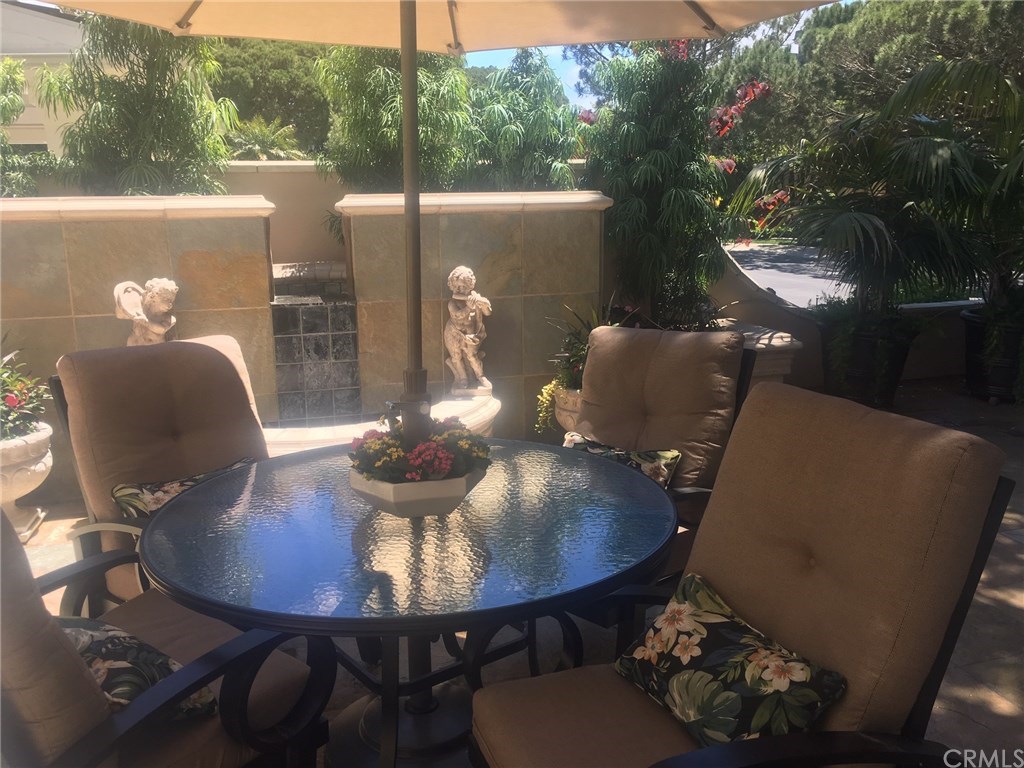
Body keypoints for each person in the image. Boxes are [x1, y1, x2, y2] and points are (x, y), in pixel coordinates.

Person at [443, 266, 492, 391]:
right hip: (454, 333)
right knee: (456, 356)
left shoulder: (475, 298)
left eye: (464, 287)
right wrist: (469, 308)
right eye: (458, 287)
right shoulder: (452, 303)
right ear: (453, 286)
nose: (461, 289)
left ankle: (480, 376)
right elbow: (457, 315)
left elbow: (487, 313)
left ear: (470, 286)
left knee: (471, 356)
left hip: (471, 333)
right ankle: (462, 378)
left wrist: (484, 303)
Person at [114, 278, 179, 346]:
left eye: (171, 301)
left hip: (153, 351)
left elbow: (161, 329)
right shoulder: (138, 310)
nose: (170, 305)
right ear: (153, 296)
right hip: (132, 347)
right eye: (166, 299)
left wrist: (145, 322)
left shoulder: (169, 318)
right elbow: (119, 315)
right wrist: (122, 304)